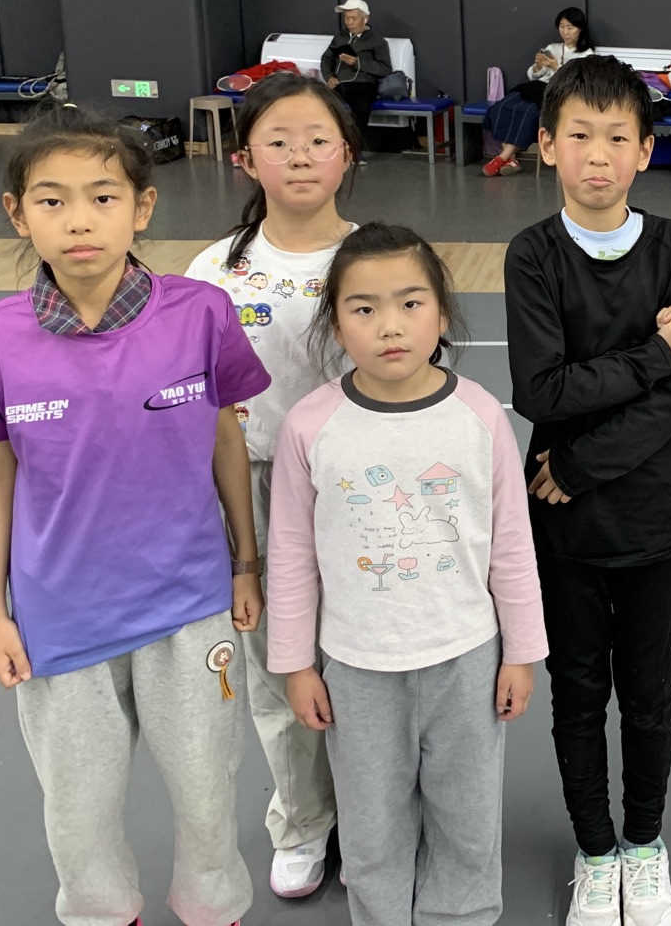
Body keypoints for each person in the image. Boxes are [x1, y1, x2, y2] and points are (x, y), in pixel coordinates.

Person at [0, 105, 271, 926]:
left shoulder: (201, 312)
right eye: (51, 200)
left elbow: (226, 439)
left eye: (102, 196)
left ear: (141, 206)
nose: (80, 219)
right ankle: (101, 911)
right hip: (61, 619)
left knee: (207, 787)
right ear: (17, 213)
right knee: (77, 805)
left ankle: (212, 905)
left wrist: (246, 560)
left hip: (189, 603)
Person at [267, 222, 547, 926]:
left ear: (442, 314)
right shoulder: (310, 425)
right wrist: (295, 665)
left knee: (467, 818)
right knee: (371, 827)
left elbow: (511, 544)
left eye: (410, 303)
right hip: (356, 668)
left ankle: (464, 914)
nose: (389, 326)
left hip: (466, 660)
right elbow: (292, 556)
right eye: (364, 308)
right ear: (336, 323)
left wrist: (522, 651)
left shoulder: (478, 416)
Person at [504, 56, 671, 926]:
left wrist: (584, 462)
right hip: (566, 529)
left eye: (617, 137)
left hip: (646, 516)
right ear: (548, 144)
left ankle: (644, 843)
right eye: (579, 134)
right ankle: (595, 850)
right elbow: (542, 391)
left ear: (646, 151)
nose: (598, 154)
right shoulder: (533, 255)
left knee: (650, 697)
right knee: (579, 694)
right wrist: (653, 352)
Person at [183, 75, 364, 898]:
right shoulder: (214, 270)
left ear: (346, 155)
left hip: (352, 485)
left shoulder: (374, 254)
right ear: (245, 157)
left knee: (362, 659)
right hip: (251, 484)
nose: (299, 155)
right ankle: (302, 818)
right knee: (274, 663)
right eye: (279, 141)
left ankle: (372, 815)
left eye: (318, 140)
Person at [483, 6, 597, 177]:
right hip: (537, 87)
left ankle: (501, 158)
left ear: (580, 29)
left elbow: (577, 84)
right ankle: (511, 159)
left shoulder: (586, 54)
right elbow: (533, 75)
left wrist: (556, 67)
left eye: (570, 27)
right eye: (562, 27)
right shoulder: (553, 47)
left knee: (528, 112)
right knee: (503, 106)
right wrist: (538, 66)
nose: (565, 32)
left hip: (560, 93)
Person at [322, 0, 393, 138]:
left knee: (360, 106)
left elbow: (385, 69)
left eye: (353, 18)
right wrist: (329, 77)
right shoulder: (340, 37)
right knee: (320, 102)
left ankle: (356, 143)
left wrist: (357, 63)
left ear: (365, 18)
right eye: (346, 18)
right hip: (340, 84)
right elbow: (326, 58)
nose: (349, 22)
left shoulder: (377, 41)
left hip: (363, 85)